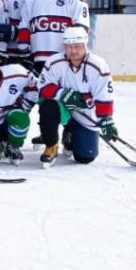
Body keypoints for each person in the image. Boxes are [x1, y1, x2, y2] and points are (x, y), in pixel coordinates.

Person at [35, 26, 116, 167]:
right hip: (61, 109)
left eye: (77, 46)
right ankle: (51, 145)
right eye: (68, 46)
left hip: (84, 114)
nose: (72, 51)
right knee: (47, 105)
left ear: (85, 45)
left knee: (85, 157)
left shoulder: (98, 66)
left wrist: (106, 120)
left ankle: (70, 136)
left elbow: (104, 95)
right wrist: (64, 94)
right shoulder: (54, 62)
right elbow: (42, 87)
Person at [17, 0, 90, 76]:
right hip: (37, 60)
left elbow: (81, 29)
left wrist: (74, 54)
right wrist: (24, 52)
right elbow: (24, 26)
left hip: (64, 59)